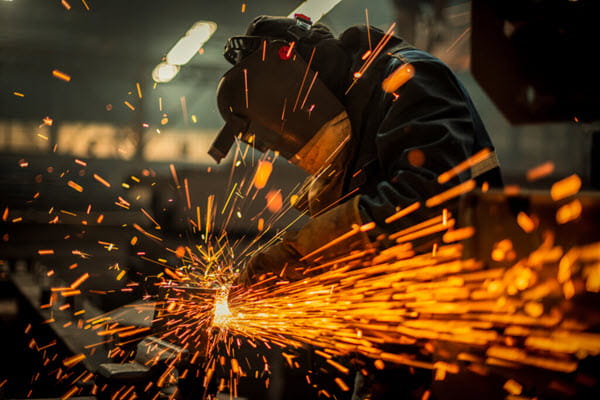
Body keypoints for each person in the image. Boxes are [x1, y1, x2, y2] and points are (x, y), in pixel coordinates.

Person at [208, 14, 503, 399]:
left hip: (456, 335)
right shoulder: (351, 105)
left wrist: (298, 254)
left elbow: (427, 205)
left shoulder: (405, 78)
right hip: (394, 341)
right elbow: (359, 235)